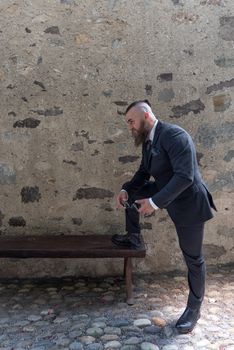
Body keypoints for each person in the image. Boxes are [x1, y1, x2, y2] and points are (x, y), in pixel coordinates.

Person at [112, 100, 217, 334]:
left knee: (193, 258)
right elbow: (143, 172)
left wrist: (154, 202)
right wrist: (126, 189)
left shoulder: (175, 136)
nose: (130, 127)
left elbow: (185, 176)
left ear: (146, 115)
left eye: (131, 121)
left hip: (189, 203)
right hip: (166, 193)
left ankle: (194, 308)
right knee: (135, 191)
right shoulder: (148, 141)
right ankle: (134, 237)